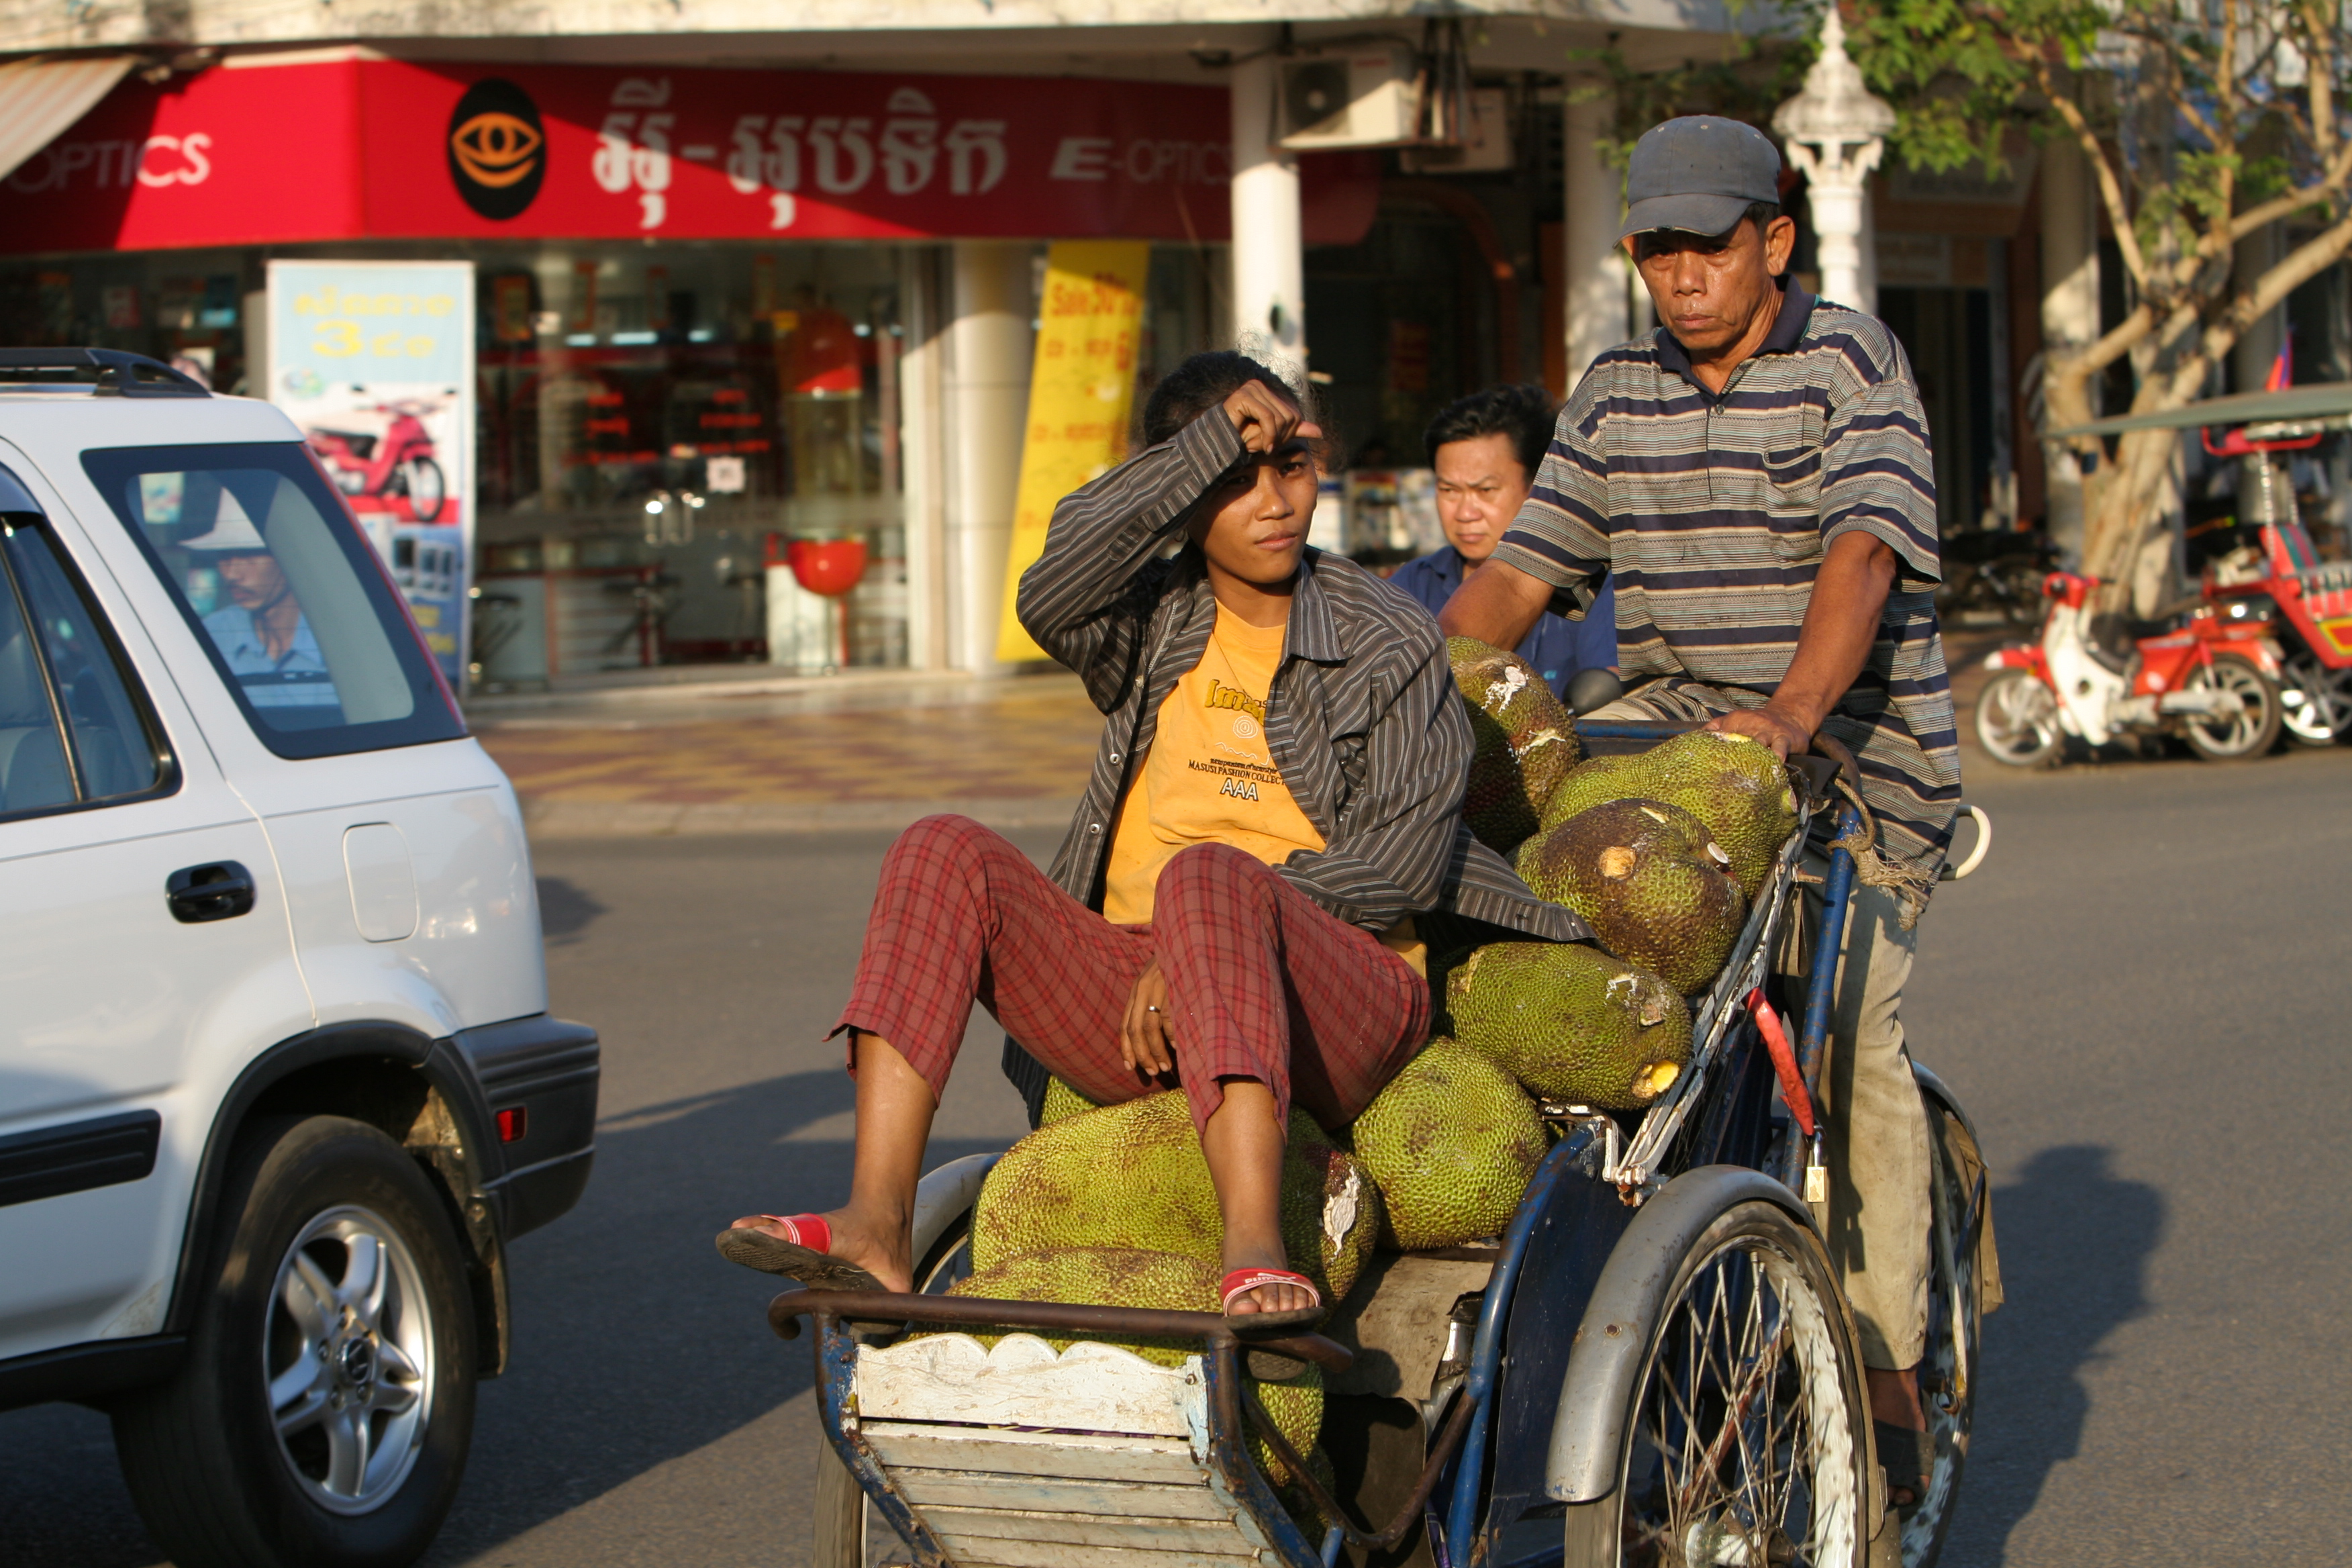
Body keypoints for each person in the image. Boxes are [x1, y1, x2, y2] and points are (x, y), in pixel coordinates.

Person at [716, 350, 1583, 1320]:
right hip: (1138, 994)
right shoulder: (1156, 619)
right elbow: (1049, 586)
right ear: (1183, 490)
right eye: (1236, 474)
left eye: (1292, 465)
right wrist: (1205, 443)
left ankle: (1257, 1249)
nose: (1276, 499)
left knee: (1209, 876)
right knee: (941, 847)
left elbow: (1403, 860)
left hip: (1336, 991)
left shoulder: (1389, 637)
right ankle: (877, 1227)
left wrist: (1209, 933)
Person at [1438, 116, 1962, 1506]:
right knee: (1566, 1002)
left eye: (1707, 245)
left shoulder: (1851, 362)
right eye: (1655, 248)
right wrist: (1431, 695)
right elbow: (1518, 579)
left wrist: (1791, 717)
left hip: (1846, 765)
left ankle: (1888, 1359)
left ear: (1772, 241)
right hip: (1664, 765)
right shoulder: (1613, 390)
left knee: (1846, 1045)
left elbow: (1861, 557)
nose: (1680, 274)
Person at [1389, 385, 1618, 699]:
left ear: (1539, 487)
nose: (1466, 513)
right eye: (1449, 491)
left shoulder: (1596, 582)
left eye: (1485, 491)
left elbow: (1607, 686)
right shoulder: (1411, 587)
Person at [183, 498, 340, 711]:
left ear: (288, 556)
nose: (232, 574)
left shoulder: (341, 638)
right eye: (225, 557)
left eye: (249, 555)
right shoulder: (213, 636)